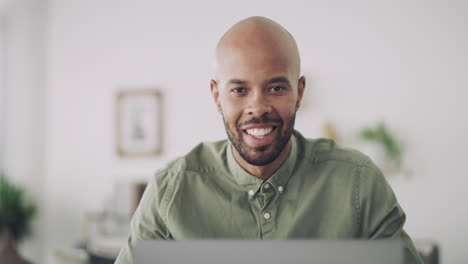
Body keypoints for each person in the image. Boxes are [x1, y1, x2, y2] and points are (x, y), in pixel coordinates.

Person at [115, 16, 423, 264]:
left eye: (276, 88)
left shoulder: (358, 182)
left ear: (299, 92)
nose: (258, 108)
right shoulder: (170, 190)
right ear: (216, 96)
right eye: (239, 90)